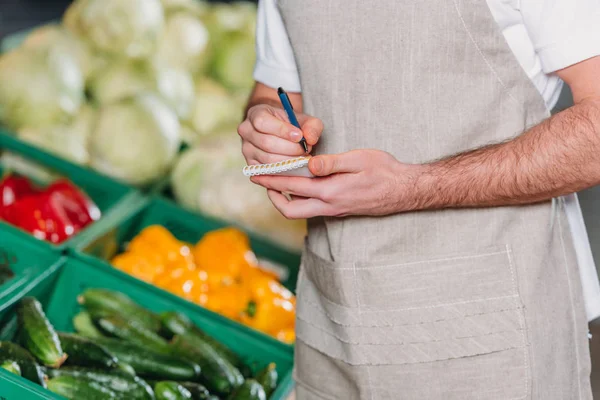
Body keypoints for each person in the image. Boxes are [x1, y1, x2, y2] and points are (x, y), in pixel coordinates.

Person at [237, 0, 600, 398]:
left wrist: (413, 184)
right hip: (334, 325)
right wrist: (268, 128)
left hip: (487, 335)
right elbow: (274, 91)